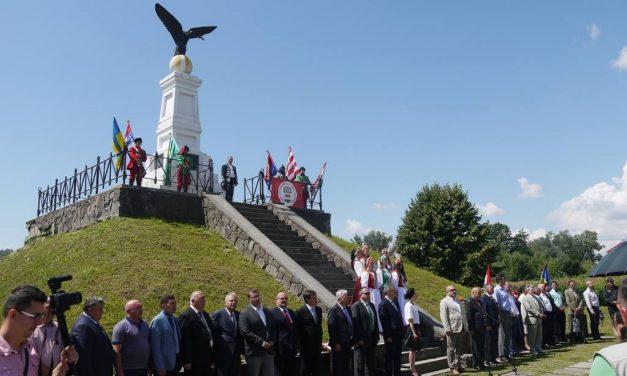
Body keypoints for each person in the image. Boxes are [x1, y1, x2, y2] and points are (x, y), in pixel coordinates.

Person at [1, 285, 78, 376]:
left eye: (41, 316)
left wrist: (61, 369)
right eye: (35, 316)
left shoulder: (29, 350)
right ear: (13, 315)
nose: (40, 322)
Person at [590, 278, 627, 375]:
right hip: (611, 309)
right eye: (609, 282)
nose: (610, 283)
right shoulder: (605, 290)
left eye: (612, 282)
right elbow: (606, 299)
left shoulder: (610, 359)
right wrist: (613, 302)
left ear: (623, 309)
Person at [70, 296, 114, 376]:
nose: (102, 312)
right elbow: (84, 359)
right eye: (100, 309)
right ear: (90, 309)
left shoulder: (91, 322)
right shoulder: (83, 326)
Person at [239, 288, 276, 376]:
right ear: (249, 299)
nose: (257, 298)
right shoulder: (244, 313)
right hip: (254, 352)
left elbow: (273, 328)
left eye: (258, 296)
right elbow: (245, 332)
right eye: (254, 296)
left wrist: (272, 341)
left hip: (268, 351)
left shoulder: (267, 311)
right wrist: (262, 343)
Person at [178, 291, 214, 376]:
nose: (204, 301)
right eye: (201, 299)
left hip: (206, 359)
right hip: (194, 362)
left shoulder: (205, 314)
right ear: (193, 301)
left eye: (204, 298)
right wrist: (186, 361)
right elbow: (184, 340)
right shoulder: (186, 316)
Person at [111, 299, 151, 376]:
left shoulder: (145, 324)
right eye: (137, 307)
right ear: (129, 311)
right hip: (128, 370)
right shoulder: (121, 326)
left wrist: (149, 366)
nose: (141, 309)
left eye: (141, 307)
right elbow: (116, 351)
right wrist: (120, 372)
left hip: (143, 369)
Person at [211, 292, 243, 376]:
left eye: (235, 301)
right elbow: (213, 335)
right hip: (222, 354)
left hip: (236, 355)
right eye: (231, 301)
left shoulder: (238, 315)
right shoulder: (217, 314)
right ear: (225, 303)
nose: (233, 302)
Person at [31, 298, 65, 376]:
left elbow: (65, 350)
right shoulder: (33, 328)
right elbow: (31, 354)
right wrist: (44, 370)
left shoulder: (59, 327)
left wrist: (59, 369)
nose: (49, 313)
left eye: (52, 311)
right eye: (47, 309)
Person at [149, 294, 181, 376]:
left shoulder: (175, 319)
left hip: (176, 364)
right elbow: (155, 347)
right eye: (171, 303)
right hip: (164, 366)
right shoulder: (158, 321)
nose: (174, 306)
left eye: (175, 303)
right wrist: (160, 366)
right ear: (163, 305)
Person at [351, 287, 380, 376]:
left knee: (370, 362)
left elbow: (375, 320)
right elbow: (356, 324)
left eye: (369, 293)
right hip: (362, 339)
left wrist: (377, 335)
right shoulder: (356, 306)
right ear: (361, 295)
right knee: (360, 363)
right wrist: (359, 338)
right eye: (366, 293)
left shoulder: (371, 305)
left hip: (371, 337)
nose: (368, 295)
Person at [294, 290, 323, 376]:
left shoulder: (318, 310)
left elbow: (318, 326)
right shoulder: (300, 312)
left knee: (317, 368)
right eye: (314, 298)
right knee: (306, 369)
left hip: (317, 345)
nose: (316, 299)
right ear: (308, 299)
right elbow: (297, 330)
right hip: (306, 346)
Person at [439, 285, 467, 375]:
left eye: (455, 290)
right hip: (452, 328)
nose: (454, 291)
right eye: (452, 290)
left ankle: (458, 365)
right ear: (447, 292)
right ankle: (452, 367)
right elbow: (444, 316)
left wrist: (466, 326)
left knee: (459, 349)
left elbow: (463, 314)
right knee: (451, 349)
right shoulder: (444, 302)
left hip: (461, 327)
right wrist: (447, 328)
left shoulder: (458, 301)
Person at [270, 291, 297, 376]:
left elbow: (294, 330)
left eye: (286, 298)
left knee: (290, 371)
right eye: (282, 298)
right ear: (276, 300)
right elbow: (272, 331)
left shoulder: (291, 312)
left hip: (291, 348)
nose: (284, 300)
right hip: (279, 349)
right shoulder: (272, 313)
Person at [328, 289, 353, 376]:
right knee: (338, 367)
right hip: (339, 343)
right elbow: (331, 328)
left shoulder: (348, 309)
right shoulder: (334, 310)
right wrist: (335, 343)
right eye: (346, 297)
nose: (348, 298)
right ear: (340, 298)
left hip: (348, 342)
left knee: (346, 365)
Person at [521, 286, 544, 355]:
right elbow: (529, 308)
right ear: (527, 291)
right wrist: (538, 314)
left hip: (539, 318)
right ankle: (533, 349)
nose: (533, 290)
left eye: (533, 289)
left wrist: (541, 313)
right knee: (532, 336)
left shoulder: (535, 297)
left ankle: (538, 348)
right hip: (532, 318)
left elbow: (540, 306)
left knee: (539, 335)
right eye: (531, 289)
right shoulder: (525, 298)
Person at [467, 287, 487, 370]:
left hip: (481, 328)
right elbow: (469, 317)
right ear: (473, 293)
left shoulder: (480, 302)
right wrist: (471, 328)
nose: (480, 294)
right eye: (478, 293)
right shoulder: (470, 302)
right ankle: (477, 364)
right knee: (476, 347)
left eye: (480, 292)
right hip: (475, 328)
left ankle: (482, 362)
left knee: (481, 346)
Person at [494, 276, 512, 362]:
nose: (505, 281)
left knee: (507, 334)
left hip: (507, 312)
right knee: (502, 335)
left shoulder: (503, 289)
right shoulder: (496, 289)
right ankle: (501, 355)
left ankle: (507, 353)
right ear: (500, 280)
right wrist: (500, 314)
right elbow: (497, 303)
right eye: (504, 279)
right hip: (502, 313)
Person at [404, 288, 422, 376]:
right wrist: (414, 332)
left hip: (415, 327)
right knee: (412, 350)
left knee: (414, 350)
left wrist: (417, 331)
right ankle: (412, 369)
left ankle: (413, 368)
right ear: (411, 295)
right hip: (411, 328)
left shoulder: (412, 305)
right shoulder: (408, 305)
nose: (416, 295)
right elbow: (410, 320)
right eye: (415, 294)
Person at [481, 284, 500, 365]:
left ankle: (493, 358)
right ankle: (487, 360)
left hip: (495, 323)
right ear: (486, 289)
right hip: (489, 324)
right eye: (491, 288)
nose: (493, 289)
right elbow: (485, 312)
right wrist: (487, 324)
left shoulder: (491, 297)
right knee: (488, 342)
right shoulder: (484, 298)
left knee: (494, 341)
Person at [538, 283, 556, 348]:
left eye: (544, 287)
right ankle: (545, 343)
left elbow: (551, 303)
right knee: (545, 329)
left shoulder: (547, 294)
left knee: (551, 328)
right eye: (543, 287)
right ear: (539, 289)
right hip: (545, 314)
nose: (545, 288)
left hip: (551, 313)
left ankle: (550, 341)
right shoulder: (539, 296)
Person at [391, 258, 408, 322]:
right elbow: (395, 285)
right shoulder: (395, 273)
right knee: (401, 307)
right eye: (399, 263)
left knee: (405, 307)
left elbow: (405, 283)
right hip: (399, 292)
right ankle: (403, 322)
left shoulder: (401, 273)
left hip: (403, 291)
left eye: (401, 263)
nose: (401, 265)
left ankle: (405, 322)